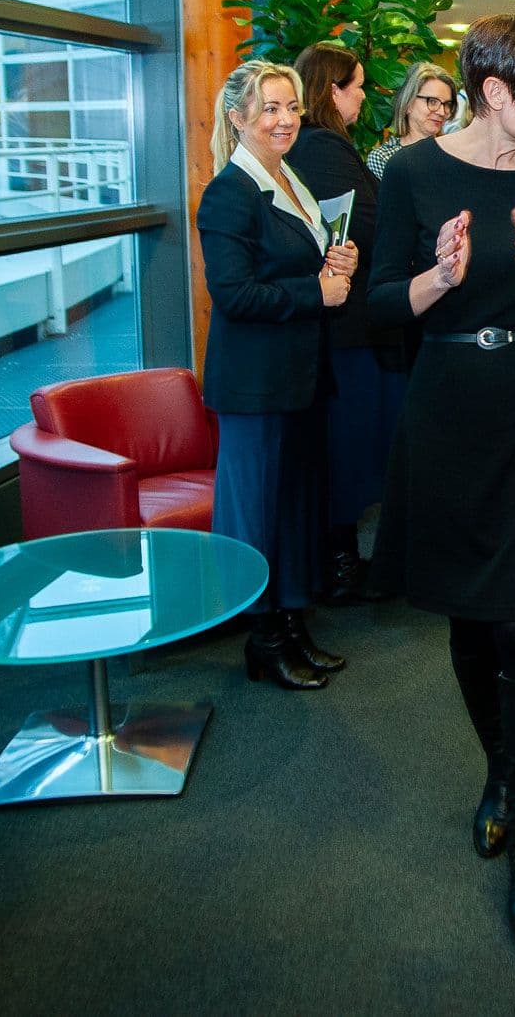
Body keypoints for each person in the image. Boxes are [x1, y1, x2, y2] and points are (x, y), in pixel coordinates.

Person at [368, 14, 515, 944]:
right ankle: (501, 770)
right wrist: (436, 277)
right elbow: (382, 302)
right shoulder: (413, 173)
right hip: (448, 399)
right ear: (496, 93)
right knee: (468, 612)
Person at [198, 59, 356, 688]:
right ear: (237, 117)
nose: (285, 119)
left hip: (300, 377)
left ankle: (291, 623)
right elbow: (235, 294)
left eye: (291, 106)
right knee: (258, 514)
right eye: (269, 108)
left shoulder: (289, 177)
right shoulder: (229, 193)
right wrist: (315, 291)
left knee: (293, 509)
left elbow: (297, 261)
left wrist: (334, 257)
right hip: (256, 386)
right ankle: (263, 640)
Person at [289, 42, 404, 604]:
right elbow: (375, 223)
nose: (363, 96)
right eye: (357, 86)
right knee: (350, 447)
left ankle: (337, 559)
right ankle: (338, 564)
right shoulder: (326, 147)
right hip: (349, 328)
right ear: (333, 91)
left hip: (341, 324)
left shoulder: (314, 147)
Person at [369, 62, 458, 179]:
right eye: (432, 101)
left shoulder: (454, 154)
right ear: (408, 103)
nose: (442, 112)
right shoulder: (383, 158)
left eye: (447, 104)